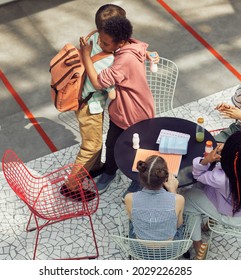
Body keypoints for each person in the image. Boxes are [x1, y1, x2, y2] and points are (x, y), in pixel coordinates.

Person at [80, 16, 155, 194]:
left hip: (135, 113)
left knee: (138, 150)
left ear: (120, 42)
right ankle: (109, 172)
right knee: (112, 144)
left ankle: (139, 179)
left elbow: (99, 83)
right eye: (100, 40)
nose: (101, 45)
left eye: (105, 44)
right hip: (120, 111)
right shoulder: (130, 45)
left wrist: (85, 56)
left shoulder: (125, 59)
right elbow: (143, 49)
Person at [59, 4, 125, 202]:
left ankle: (94, 168)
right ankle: (70, 187)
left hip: (82, 100)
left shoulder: (93, 37)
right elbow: (112, 94)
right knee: (92, 146)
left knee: (93, 138)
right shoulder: (107, 61)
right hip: (90, 106)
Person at [182, 131, 241, 260]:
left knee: (188, 199)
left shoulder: (220, 179)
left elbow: (198, 174)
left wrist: (205, 160)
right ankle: (209, 222)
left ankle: (198, 244)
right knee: (205, 188)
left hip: (234, 216)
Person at [124, 155, 185, 242]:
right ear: (165, 178)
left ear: (141, 177)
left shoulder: (129, 198)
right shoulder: (179, 200)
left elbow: (132, 220)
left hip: (139, 247)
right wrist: (173, 191)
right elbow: (178, 224)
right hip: (170, 249)